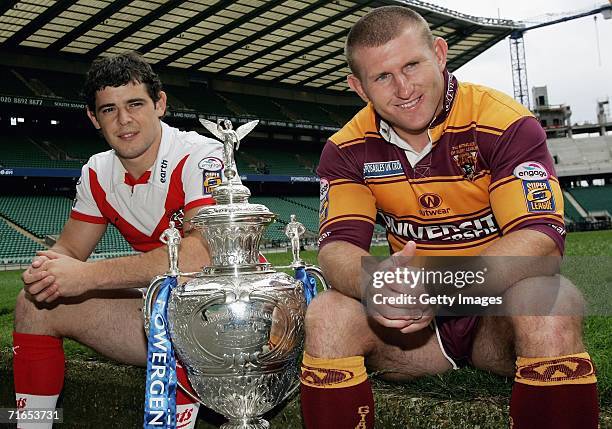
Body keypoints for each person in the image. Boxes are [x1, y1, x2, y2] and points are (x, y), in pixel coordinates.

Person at [300, 6, 598, 429]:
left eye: (412, 65)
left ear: (439, 54)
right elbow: (336, 250)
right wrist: (379, 287)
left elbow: (540, 240)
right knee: (327, 313)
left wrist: (440, 287)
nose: (403, 88)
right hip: (412, 331)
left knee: (552, 303)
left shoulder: (504, 122)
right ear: (358, 87)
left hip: (495, 314)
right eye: (382, 77)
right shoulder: (345, 148)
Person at [13, 52, 223, 429]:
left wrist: (87, 276)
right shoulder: (97, 171)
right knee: (35, 302)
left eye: (135, 104)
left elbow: (200, 256)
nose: (124, 121)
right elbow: (71, 249)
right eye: (109, 109)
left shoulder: (201, 155)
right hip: (155, 315)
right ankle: (31, 424)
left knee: (181, 303)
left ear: (159, 104)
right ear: (94, 118)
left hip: (224, 315)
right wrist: (47, 267)